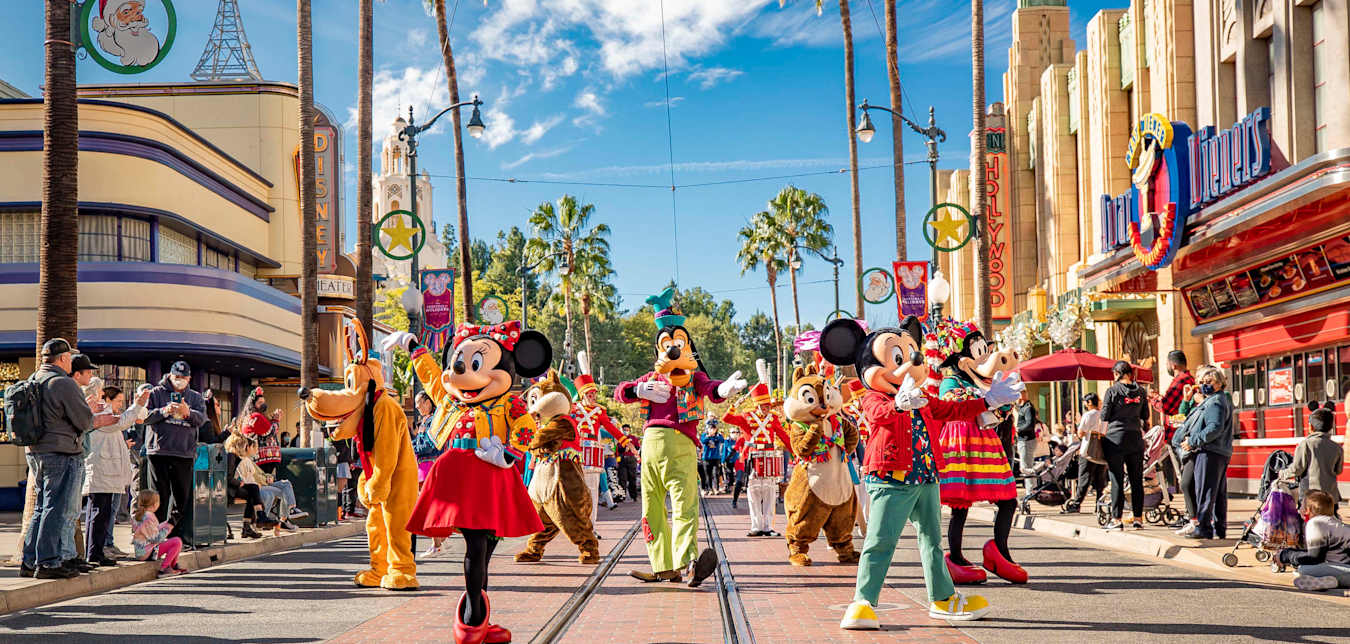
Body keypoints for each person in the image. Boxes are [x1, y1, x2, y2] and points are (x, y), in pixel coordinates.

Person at [21, 341, 118, 579]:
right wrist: (95, 417)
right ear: (63, 358)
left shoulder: (35, 378)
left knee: (42, 507)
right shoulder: (63, 383)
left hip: (36, 451)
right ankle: (48, 562)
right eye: (69, 357)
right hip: (61, 452)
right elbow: (84, 422)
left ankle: (30, 560)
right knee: (57, 508)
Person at [83, 384, 149, 566]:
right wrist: (137, 405)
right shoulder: (100, 414)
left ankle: (97, 552)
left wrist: (139, 409)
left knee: (103, 515)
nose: (120, 405)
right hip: (100, 473)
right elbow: (121, 422)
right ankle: (93, 554)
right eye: (118, 401)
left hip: (107, 474)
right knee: (98, 514)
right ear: (106, 400)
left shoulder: (108, 415)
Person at [143, 360, 206, 540]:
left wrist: (188, 412)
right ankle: (155, 538)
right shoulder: (156, 393)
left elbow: (201, 419)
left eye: (183, 377)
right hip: (159, 452)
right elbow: (144, 417)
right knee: (158, 498)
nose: (180, 380)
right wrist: (164, 411)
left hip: (184, 453)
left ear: (189, 378)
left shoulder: (195, 397)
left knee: (181, 498)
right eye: (177, 377)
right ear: (170, 375)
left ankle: (171, 534)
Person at [1174, 365, 1233, 539]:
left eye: (1209, 382)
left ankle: (1204, 527)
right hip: (1218, 450)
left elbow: (1214, 428)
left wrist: (1192, 441)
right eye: (1201, 382)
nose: (1204, 385)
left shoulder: (1215, 402)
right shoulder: (1216, 399)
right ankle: (1218, 528)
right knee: (1217, 492)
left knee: (1206, 491)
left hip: (1210, 451)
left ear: (1219, 383)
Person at [1100, 360, 1151, 531]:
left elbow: (1104, 416)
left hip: (1115, 438)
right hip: (1135, 438)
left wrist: (1100, 435)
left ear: (1117, 373)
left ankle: (1116, 519)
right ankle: (1138, 518)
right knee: (1137, 480)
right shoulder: (1141, 392)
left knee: (1117, 479)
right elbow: (1145, 416)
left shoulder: (1112, 391)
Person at [1280, 490, 1350, 591]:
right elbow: (1319, 554)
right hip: (1345, 567)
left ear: (1307, 510)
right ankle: (1331, 581)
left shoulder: (1315, 523)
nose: (1300, 509)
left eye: (1301, 506)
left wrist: (1285, 556)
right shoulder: (1333, 523)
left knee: (1304, 569)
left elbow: (1314, 558)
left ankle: (1334, 582)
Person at [1281, 402, 1343, 512]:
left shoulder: (1306, 444)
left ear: (1311, 426)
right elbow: (1338, 470)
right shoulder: (1337, 448)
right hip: (1331, 498)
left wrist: (1283, 473)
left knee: (1309, 526)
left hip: (1311, 498)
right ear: (1330, 427)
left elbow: (1297, 469)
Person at [411, 392, 446, 558]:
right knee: (430, 504)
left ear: (428, 402)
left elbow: (430, 445)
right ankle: (438, 542)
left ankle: (437, 543)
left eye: (419, 402)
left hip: (429, 465)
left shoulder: (433, 420)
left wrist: (412, 449)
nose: (417, 406)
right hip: (423, 466)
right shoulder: (425, 421)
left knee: (429, 504)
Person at [1064, 393, 1108, 513]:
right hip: (1102, 451)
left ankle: (1077, 504)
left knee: (1084, 478)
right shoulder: (1104, 415)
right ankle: (1099, 505)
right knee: (1101, 481)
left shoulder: (1088, 415)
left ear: (1089, 403)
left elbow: (1081, 433)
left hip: (1088, 450)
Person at [131, 490, 187, 577]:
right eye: (158, 501)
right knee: (177, 541)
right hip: (147, 553)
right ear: (154, 504)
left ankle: (173, 566)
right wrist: (169, 527)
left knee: (175, 541)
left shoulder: (140, 515)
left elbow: (152, 530)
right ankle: (165, 568)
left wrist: (167, 523)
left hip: (142, 552)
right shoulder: (149, 517)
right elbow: (156, 539)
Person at [1151, 350, 1194, 443]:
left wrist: (1153, 400)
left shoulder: (1180, 380)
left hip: (1176, 433)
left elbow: (1166, 407)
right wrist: (1159, 397)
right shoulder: (1190, 378)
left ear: (1173, 365)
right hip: (1184, 431)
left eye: (1167, 364)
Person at [239, 388, 282, 475]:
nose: (263, 405)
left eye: (264, 402)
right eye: (260, 403)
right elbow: (270, 431)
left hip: (262, 460)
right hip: (262, 461)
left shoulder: (251, 417)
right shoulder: (255, 417)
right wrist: (276, 420)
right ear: (253, 405)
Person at [1014, 391, 1040, 501]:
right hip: (1023, 440)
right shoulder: (1021, 407)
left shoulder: (1028, 408)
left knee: (1026, 467)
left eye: (1020, 393)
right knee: (1027, 466)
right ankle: (1031, 490)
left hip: (1026, 440)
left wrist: (1018, 429)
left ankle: (1031, 491)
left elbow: (1030, 424)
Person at [699, 422, 724, 495]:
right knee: (707, 474)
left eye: (714, 429)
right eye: (710, 428)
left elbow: (722, 440)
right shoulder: (704, 435)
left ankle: (716, 488)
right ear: (708, 429)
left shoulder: (718, 435)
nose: (712, 430)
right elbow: (703, 441)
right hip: (706, 458)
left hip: (716, 458)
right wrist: (709, 436)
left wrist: (715, 436)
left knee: (716, 473)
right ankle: (709, 489)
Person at [617, 424, 640, 501]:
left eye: (627, 430)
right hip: (623, 459)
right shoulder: (620, 438)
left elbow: (637, 447)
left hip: (632, 459)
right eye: (624, 430)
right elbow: (619, 448)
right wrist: (624, 449)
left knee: (632, 478)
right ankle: (622, 496)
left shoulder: (633, 438)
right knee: (622, 479)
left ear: (629, 430)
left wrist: (631, 446)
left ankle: (634, 496)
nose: (626, 431)